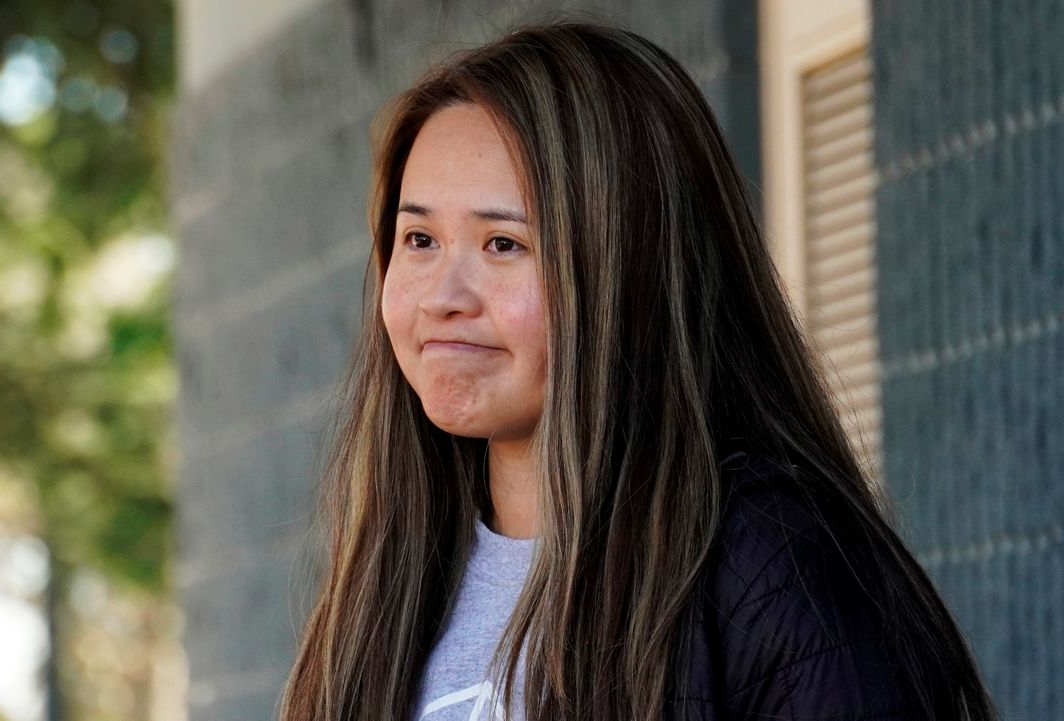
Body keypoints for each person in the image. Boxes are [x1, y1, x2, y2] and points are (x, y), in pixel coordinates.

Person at [276, 16, 1000, 721]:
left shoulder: (771, 566)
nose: (442, 298)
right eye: (419, 238)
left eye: (503, 243)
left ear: (632, 267)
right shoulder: (389, 581)